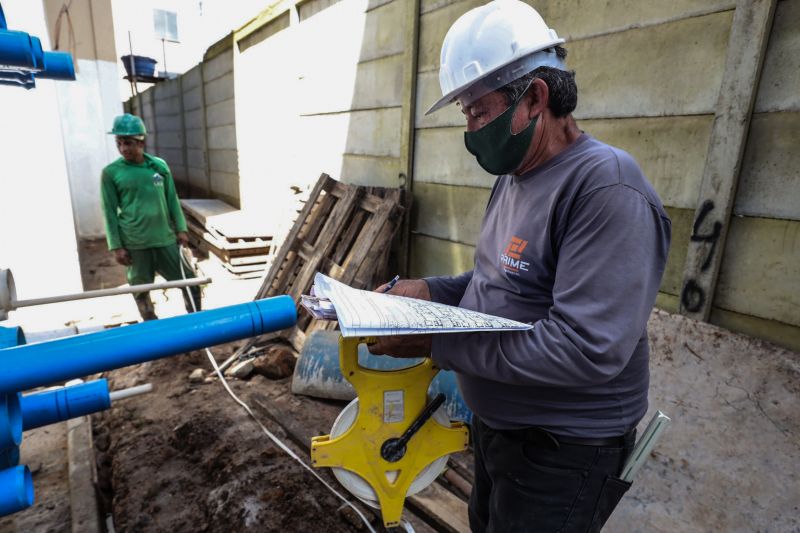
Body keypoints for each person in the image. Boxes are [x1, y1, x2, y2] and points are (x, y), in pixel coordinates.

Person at [368, 1, 671, 531]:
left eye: (478, 111)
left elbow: (583, 348)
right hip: (501, 431)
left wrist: (434, 342)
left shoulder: (605, 188)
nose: (470, 129)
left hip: (563, 452)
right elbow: (495, 283)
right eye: (464, 113)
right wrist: (429, 293)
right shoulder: (515, 177)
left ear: (534, 97)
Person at [101, 113, 201, 321]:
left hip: (164, 238)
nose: (123, 148)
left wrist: (181, 229)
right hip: (135, 242)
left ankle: (197, 323)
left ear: (141, 141)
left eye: (128, 143)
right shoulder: (111, 173)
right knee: (140, 288)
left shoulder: (158, 167)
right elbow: (109, 211)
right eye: (119, 143)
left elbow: (172, 199)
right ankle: (151, 328)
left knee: (188, 280)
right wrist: (116, 246)